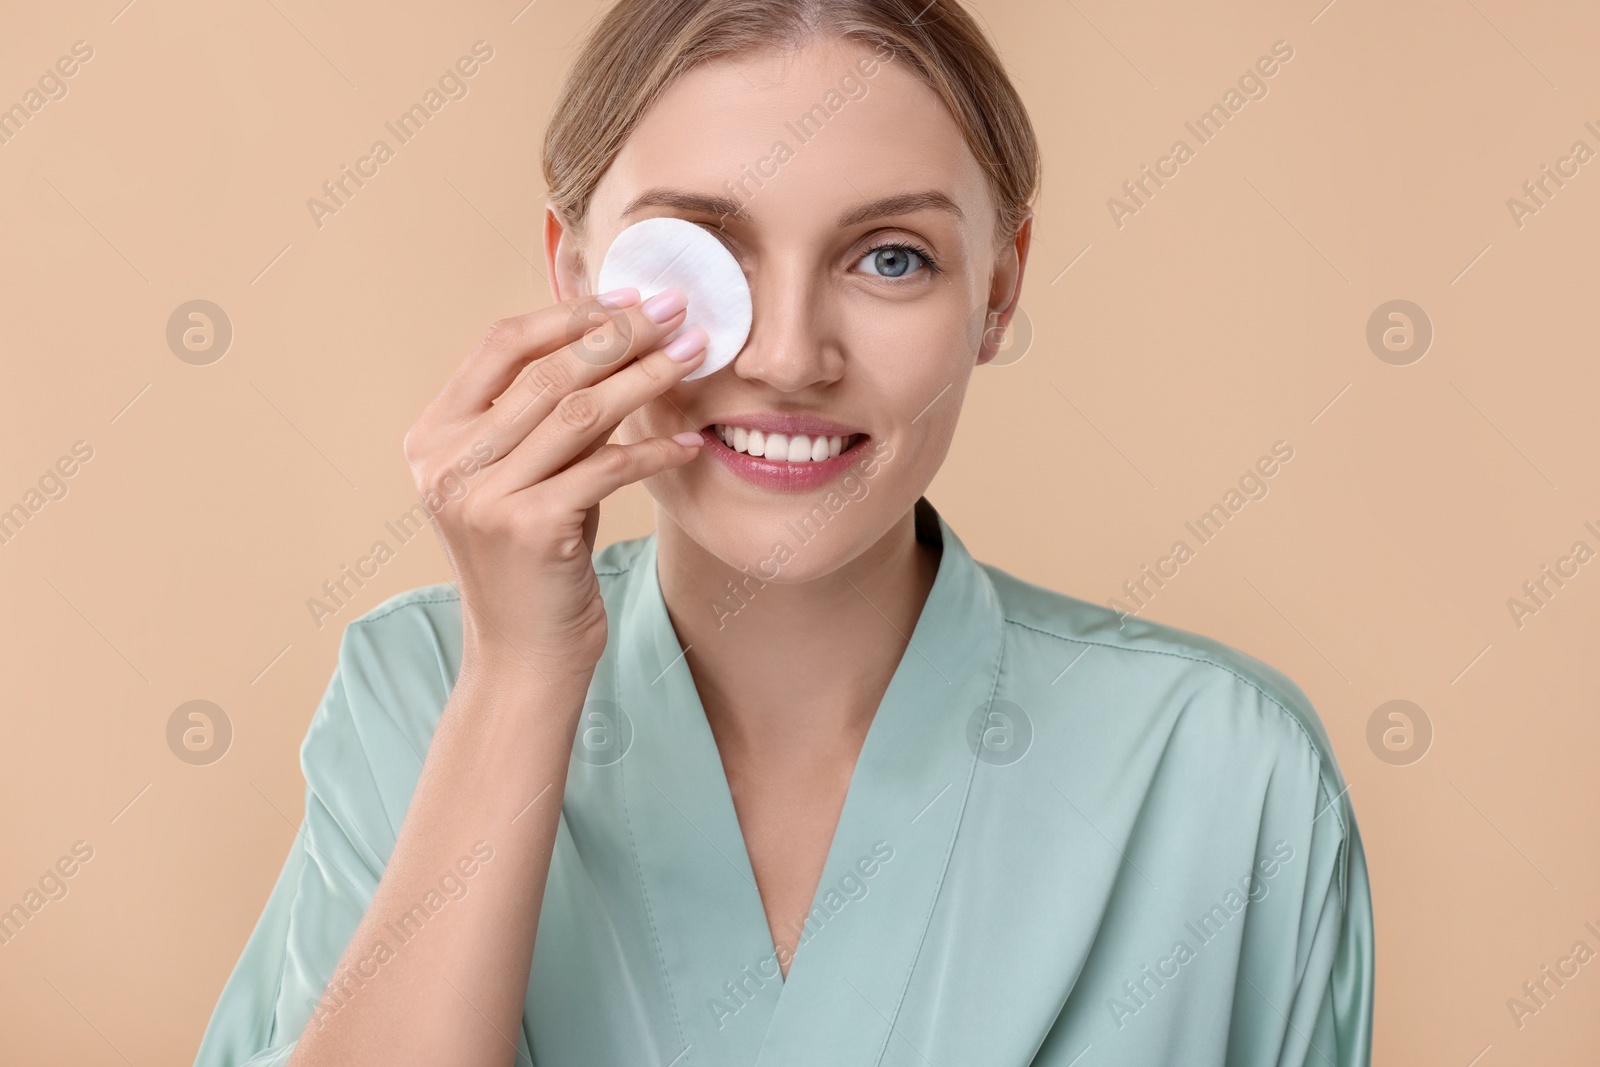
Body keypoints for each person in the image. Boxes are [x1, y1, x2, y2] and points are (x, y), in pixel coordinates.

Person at [194, 1, 1374, 1064]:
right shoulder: (414, 696)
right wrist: (519, 675)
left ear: (999, 293)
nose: (788, 357)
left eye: (891, 258)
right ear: (573, 277)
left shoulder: (1223, 770)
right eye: (703, 256)